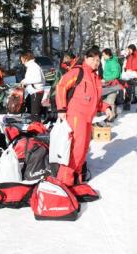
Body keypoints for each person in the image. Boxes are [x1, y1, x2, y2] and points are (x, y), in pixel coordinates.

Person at [55, 47, 113, 187]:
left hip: (88, 118)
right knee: (76, 150)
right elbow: (61, 86)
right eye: (93, 59)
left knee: (84, 149)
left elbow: (95, 100)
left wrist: (106, 107)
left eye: (98, 60)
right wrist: (61, 108)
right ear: (86, 58)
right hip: (76, 115)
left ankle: (76, 179)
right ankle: (64, 182)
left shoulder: (95, 77)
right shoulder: (78, 71)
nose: (96, 62)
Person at [20, 52, 45, 122]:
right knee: (32, 111)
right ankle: (34, 126)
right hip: (33, 91)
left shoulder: (33, 66)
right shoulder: (31, 66)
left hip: (36, 91)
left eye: (22, 60)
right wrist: (23, 81)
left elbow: (38, 79)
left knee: (35, 113)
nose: (22, 62)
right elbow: (30, 78)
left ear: (26, 59)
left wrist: (26, 82)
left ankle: (36, 129)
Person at [101, 48, 121, 118]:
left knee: (110, 101)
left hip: (113, 84)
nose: (103, 57)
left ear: (108, 54)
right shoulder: (107, 61)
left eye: (103, 55)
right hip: (107, 84)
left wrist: (106, 79)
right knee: (105, 101)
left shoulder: (113, 62)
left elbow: (116, 74)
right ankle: (114, 112)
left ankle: (111, 116)